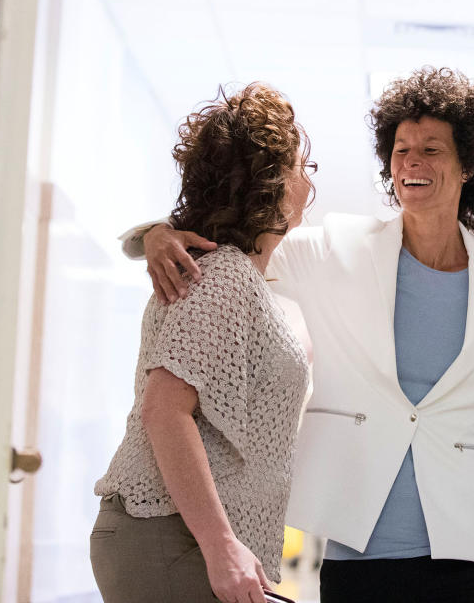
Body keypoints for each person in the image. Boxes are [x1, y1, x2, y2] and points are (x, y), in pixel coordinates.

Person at [126, 67, 474, 603]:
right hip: (361, 549)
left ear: (469, 163)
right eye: (400, 150)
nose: (411, 163)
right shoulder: (339, 250)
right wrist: (156, 233)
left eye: (432, 149)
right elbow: (232, 240)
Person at [91, 82, 315, 603]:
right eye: (302, 166)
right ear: (271, 184)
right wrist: (221, 547)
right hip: (174, 537)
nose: (307, 180)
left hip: (179, 536)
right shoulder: (224, 278)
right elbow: (164, 412)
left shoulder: (232, 277)